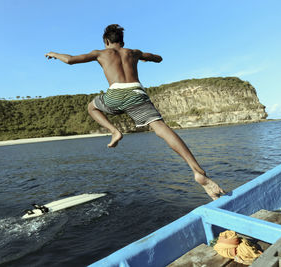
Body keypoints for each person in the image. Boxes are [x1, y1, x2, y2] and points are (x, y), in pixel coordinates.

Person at [45, 24, 225, 200]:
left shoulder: (100, 53)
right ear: (122, 42)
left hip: (115, 94)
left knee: (92, 107)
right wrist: (146, 58)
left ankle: (114, 131)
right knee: (160, 127)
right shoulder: (133, 53)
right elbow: (158, 58)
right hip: (136, 94)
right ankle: (197, 170)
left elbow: (70, 60)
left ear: (106, 41)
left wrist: (54, 54)